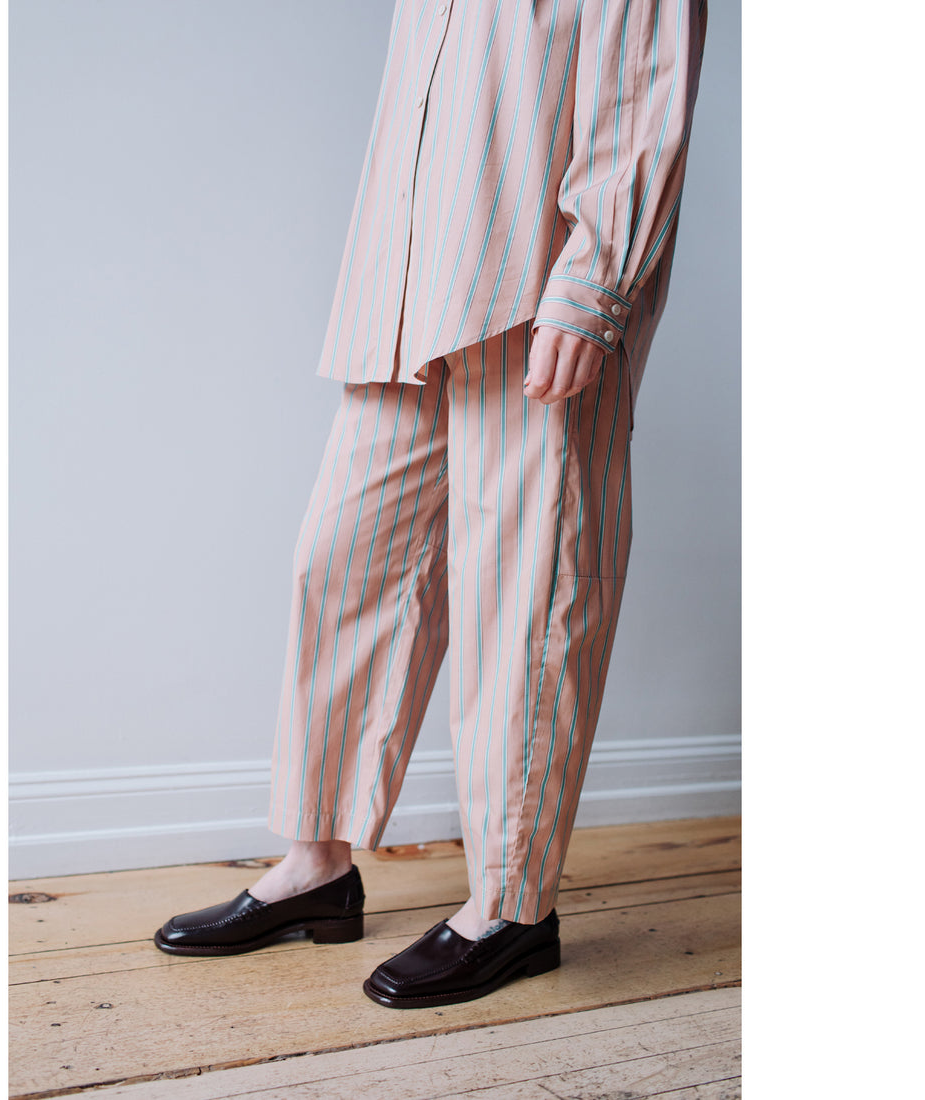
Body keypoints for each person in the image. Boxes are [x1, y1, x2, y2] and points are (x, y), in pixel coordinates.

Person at [155, 0, 708, 1009]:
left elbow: (642, 88)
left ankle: (510, 905)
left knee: (530, 595)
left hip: (535, 287)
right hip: (407, 286)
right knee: (344, 559)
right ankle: (317, 865)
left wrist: (594, 288)